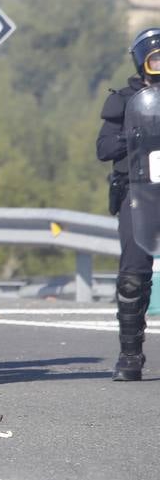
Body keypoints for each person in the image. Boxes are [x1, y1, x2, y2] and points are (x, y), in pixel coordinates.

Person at [96, 27, 160, 381]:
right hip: (138, 195)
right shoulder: (124, 99)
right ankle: (130, 355)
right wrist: (135, 134)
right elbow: (103, 149)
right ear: (142, 61)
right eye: (155, 58)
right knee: (133, 277)